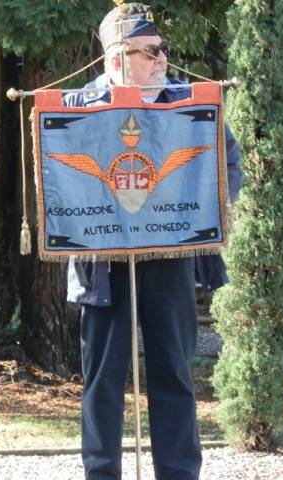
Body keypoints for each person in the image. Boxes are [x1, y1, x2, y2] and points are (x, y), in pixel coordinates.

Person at [64, 4, 242, 480]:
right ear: (117, 57)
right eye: (150, 51)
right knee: (102, 381)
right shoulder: (76, 109)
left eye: (163, 49)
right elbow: (58, 176)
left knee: (174, 374)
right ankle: (101, 474)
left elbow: (227, 163)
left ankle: (179, 474)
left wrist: (202, 210)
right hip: (103, 262)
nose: (163, 58)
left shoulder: (190, 104)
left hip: (171, 256)